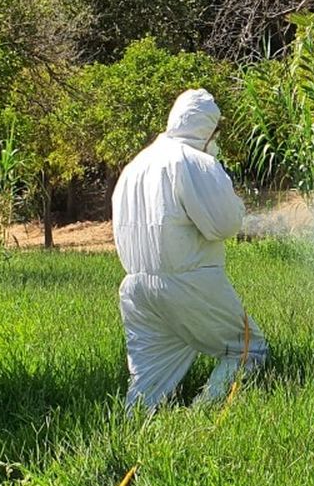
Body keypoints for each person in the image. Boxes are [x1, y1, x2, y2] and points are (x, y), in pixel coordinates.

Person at [112, 88, 267, 412]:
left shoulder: (136, 166)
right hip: (188, 282)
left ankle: (133, 434)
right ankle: (202, 418)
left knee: (150, 377)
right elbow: (224, 225)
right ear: (207, 129)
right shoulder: (194, 161)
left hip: (137, 290)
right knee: (246, 350)